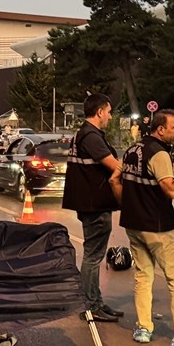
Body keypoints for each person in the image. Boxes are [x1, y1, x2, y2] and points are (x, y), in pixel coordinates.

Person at [112, 109, 174, 346]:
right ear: (160, 129)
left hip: (134, 225)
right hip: (158, 226)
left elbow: (113, 180)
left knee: (143, 277)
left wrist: (128, 206)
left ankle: (144, 328)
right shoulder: (159, 155)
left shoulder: (132, 150)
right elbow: (172, 191)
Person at [62, 93, 124, 320]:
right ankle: (90, 306)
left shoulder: (84, 134)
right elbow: (114, 166)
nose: (109, 116)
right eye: (108, 112)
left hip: (92, 203)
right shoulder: (91, 136)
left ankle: (95, 301)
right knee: (93, 256)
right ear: (99, 112)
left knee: (93, 256)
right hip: (94, 205)